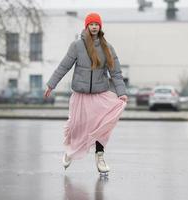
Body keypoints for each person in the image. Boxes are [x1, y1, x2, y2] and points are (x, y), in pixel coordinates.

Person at [43, 13, 128, 175]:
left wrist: (121, 93)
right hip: (80, 95)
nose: (94, 27)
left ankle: (100, 156)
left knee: (102, 127)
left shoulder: (107, 48)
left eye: (97, 24)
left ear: (100, 27)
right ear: (86, 26)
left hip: (100, 95)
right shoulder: (77, 46)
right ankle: (70, 151)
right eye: (92, 24)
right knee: (76, 126)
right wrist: (51, 84)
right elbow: (63, 66)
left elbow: (115, 73)